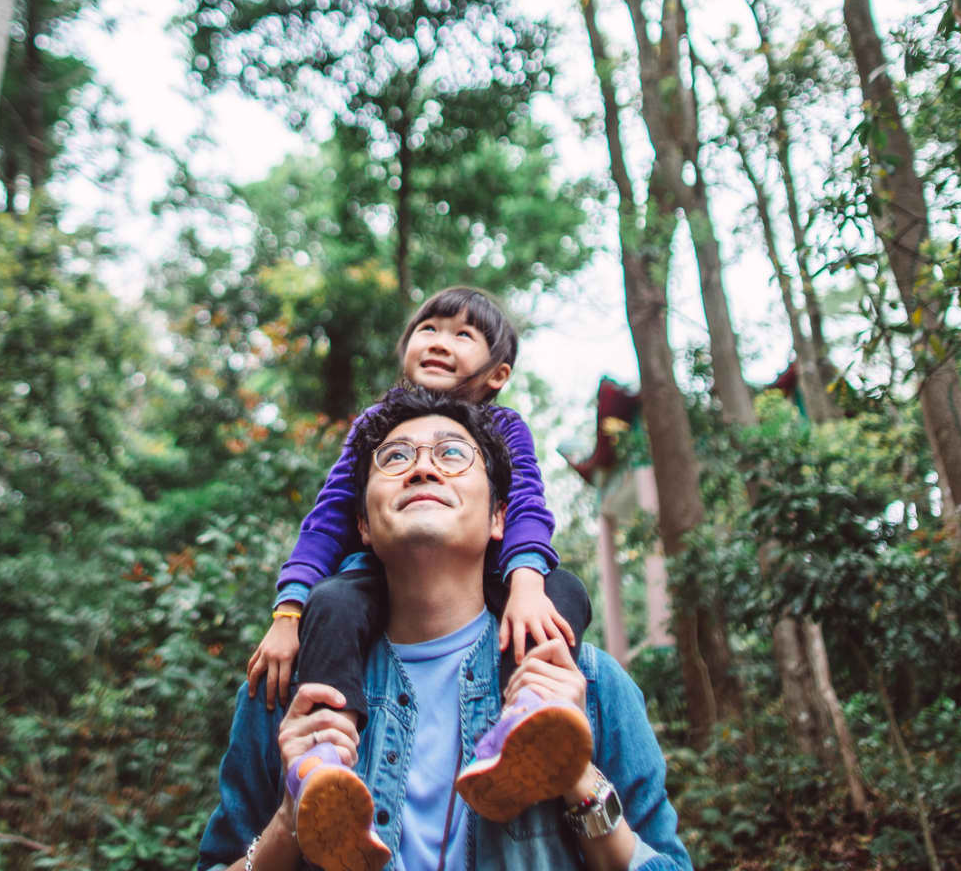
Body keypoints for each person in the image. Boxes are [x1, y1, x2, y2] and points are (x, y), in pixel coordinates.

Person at [199, 387, 693, 871]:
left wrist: (577, 776)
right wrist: (290, 821)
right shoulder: (290, 693)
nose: (422, 467)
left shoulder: (589, 685)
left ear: (500, 516)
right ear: (364, 527)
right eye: (393, 459)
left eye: (453, 454)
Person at [245, 290, 597, 849]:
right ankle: (322, 764)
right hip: (376, 580)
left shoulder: (504, 428)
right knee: (330, 602)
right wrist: (289, 611)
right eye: (428, 328)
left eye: (464, 334)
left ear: (498, 372)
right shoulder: (375, 427)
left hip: (494, 573)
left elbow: (527, 502)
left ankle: (529, 720)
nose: (439, 340)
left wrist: (526, 578)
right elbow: (326, 519)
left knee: (562, 591)